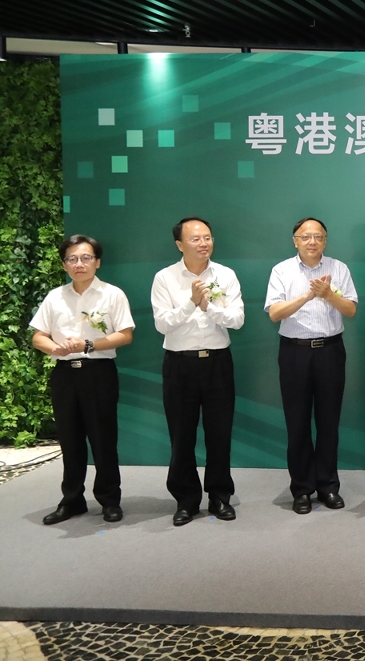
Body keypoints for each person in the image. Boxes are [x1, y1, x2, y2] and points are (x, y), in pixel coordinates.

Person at [30, 235, 135, 525]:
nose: (79, 264)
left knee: (103, 439)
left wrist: (88, 345)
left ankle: (109, 500)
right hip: (64, 374)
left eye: (86, 258)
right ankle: (72, 500)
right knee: (69, 439)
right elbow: (38, 336)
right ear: (64, 264)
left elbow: (125, 335)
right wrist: (55, 348)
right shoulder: (55, 297)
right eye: (72, 259)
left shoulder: (112, 294)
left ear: (97, 262)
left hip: (98, 372)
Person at [151, 216, 244, 526]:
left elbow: (237, 320)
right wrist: (191, 302)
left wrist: (208, 307)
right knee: (181, 435)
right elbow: (162, 324)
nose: (203, 243)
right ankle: (186, 500)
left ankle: (219, 496)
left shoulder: (226, 275)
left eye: (207, 237)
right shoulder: (164, 278)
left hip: (218, 362)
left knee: (220, 433)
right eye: (195, 239)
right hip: (179, 364)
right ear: (180, 244)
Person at [265, 217, 358, 515]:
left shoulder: (339, 268)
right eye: (305, 237)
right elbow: (274, 313)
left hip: (330, 351)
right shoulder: (282, 270)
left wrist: (329, 295)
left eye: (318, 236)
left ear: (325, 240)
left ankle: (328, 486)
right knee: (298, 423)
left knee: (329, 422)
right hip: (295, 353)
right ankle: (302, 489)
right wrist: (308, 295)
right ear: (295, 241)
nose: (312, 241)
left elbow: (351, 309)